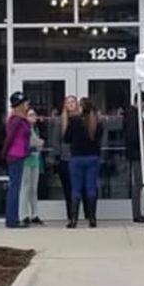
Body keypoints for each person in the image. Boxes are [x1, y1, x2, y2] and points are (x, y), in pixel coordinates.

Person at [64, 97, 101, 228]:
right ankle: (92, 219)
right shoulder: (96, 122)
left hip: (77, 158)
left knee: (76, 188)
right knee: (91, 188)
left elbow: (66, 138)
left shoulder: (74, 121)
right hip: (93, 157)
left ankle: (73, 219)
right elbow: (100, 137)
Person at [2, 93, 33, 229]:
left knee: (16, 187)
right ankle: (11, 219)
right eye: (25, 102)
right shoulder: (16, 120)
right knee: (14, 188)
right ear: (20, 105)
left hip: (19, 154)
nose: (28, 105)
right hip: (15, 155)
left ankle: (12, 218)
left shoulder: (19, 119)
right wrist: (4, 153)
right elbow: (10, 138)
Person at [19, 108, 45, 226]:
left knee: (34, 188)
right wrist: (38, 143)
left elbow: (39, 144)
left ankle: (34, 214)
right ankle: (23, 215)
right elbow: (31, 143)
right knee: (26, 187)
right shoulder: (25, 129)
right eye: (30, 115)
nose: (33, 117)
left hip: (35, 159)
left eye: (34, 114)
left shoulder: (36, 129)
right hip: (26, 160)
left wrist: (38, 144)